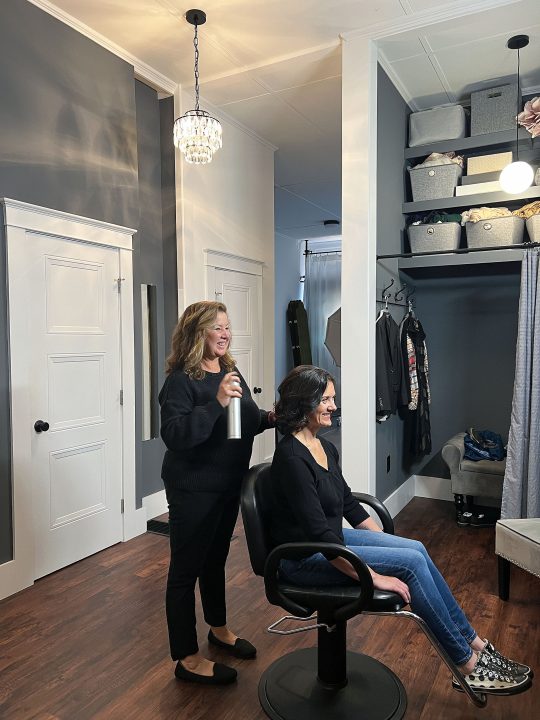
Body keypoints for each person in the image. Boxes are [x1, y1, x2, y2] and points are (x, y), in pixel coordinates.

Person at [268, 365, 533, 696]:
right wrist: (376, 575)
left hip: (329, 542)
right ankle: (465, 665)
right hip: (302, 557)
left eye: (334, 398)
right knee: (409, 564)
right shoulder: (292, 458)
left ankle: (474, 642)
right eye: (326, 400)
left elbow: (348, 505)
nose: (334, 406)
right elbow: (321, 539)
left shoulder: (325, 447)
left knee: (415, 549)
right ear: (303, 403)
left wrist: (387, 543)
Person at [159, 300, 274, 685]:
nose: (225, 334)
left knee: (214, 560)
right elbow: (176, 436)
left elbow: (246, 419)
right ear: (197, 332)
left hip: (228, 485)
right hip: (193, 489)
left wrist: (276, 417)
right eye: (217, 327)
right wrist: (218, 401)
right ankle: (187, 657)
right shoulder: (180, 380)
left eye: (227, 327)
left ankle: (218, 628)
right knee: (185, 570)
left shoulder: (228, 368)